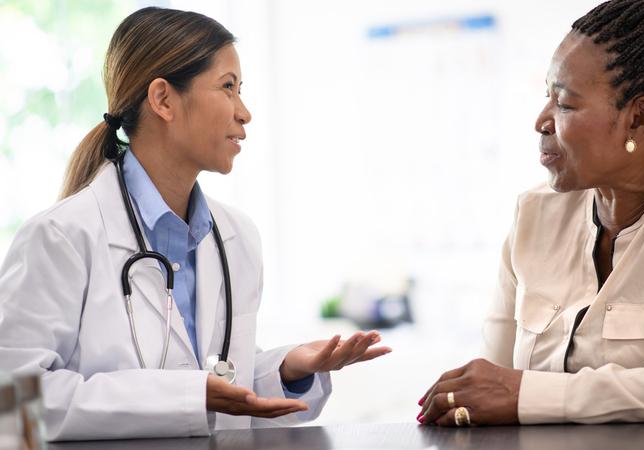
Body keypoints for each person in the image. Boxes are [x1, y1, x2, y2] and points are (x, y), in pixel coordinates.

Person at [0, 7, 390, 441]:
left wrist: (286, 368)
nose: (244, 113)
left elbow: (213, 376)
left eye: (241, 90)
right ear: (164, 99)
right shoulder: (60, 237)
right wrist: (186, 397)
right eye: (228, 88)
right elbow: (12, 405)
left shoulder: (236, 237)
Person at [417, 0, 644, 444]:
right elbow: (493, 389)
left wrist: (532, 396)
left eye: (566, 103)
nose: (541, 121)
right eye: (547, 96)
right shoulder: (534, 215)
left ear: (638, 118)